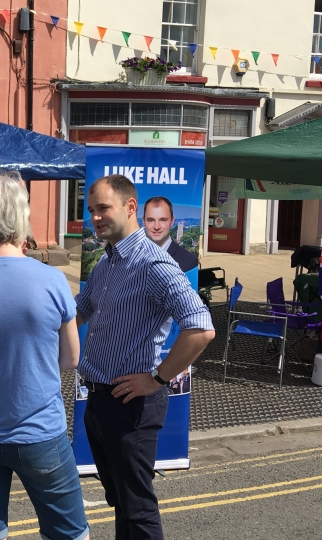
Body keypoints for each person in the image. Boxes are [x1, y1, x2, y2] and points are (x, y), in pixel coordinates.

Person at [0, 173, 89, 540]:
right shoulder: (52, 279)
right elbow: (72, 357)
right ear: (20, 215)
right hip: (40, 429)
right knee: (68, 531)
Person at [77, 174, 214, 539]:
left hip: (131, 406)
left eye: (103, 208)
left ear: (130, 207)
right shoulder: (107, 264)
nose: (96, 217)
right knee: (121, 501)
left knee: (137, 511)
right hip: (100, 401)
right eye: (92, 211)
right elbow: (77, 312)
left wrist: (156, 378)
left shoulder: (153, 264)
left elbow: (200, 328)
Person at [142, 196, 198, 272]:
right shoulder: (130, 258)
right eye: (151, 220)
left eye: (163, 220)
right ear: (143, 221)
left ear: (172, 221)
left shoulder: (188, 261)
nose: (157, 227)